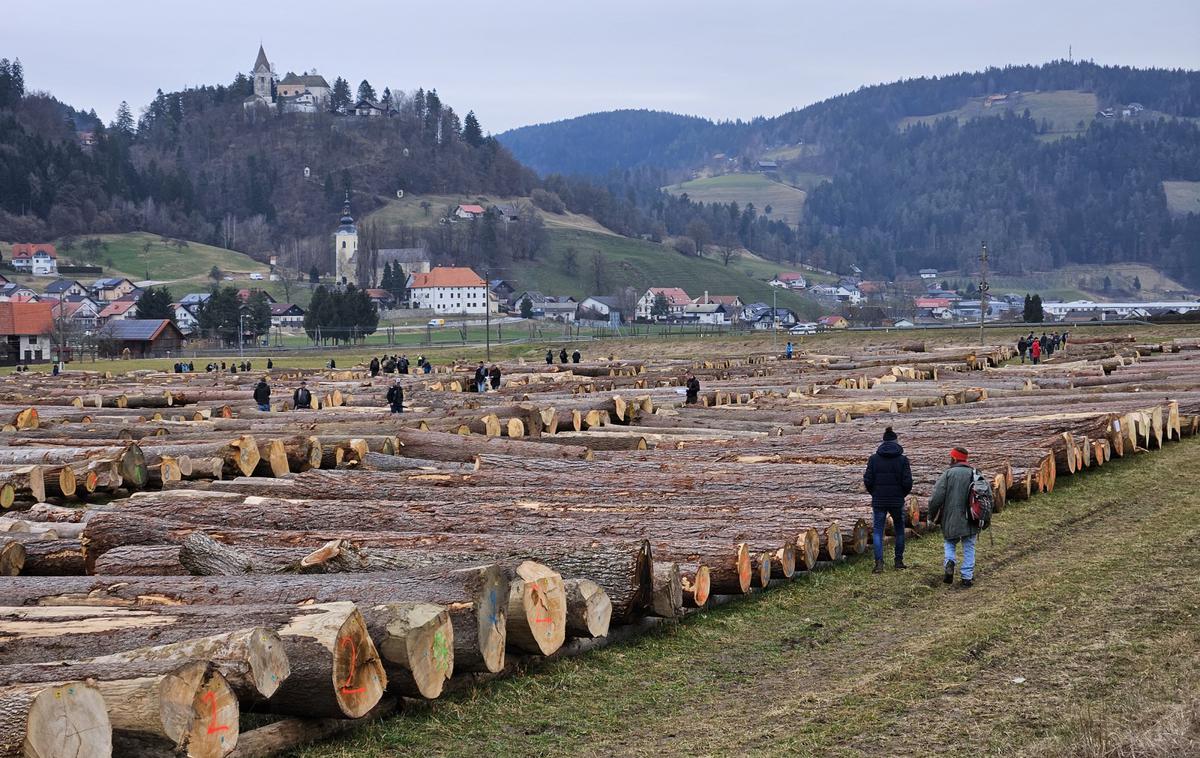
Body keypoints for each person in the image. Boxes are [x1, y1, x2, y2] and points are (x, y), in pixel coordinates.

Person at [928, 447, 980, 588]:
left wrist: (930, 516)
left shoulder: (948, 474)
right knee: (969, 547)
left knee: (949, 542)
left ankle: (950, 561)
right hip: (972, 517)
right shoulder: (974, 474)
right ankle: (967, 577)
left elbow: (935, 498)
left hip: (951, 518)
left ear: (955, 458)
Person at [863, 426, 913, 573]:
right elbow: (908, 482)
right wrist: (901, 494)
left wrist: (874, 493)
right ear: (896, 441)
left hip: (879, 500)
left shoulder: (873, 459)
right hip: (897, 500)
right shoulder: (903, 460)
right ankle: (898, 561)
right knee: (899, 530)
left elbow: (867, 479)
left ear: (883, 442)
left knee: (878, 531)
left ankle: (879, 563)